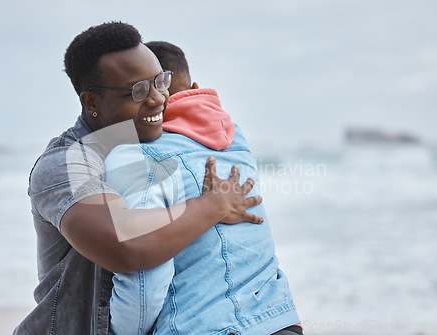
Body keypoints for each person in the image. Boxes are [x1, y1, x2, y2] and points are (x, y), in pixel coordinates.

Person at [13, 22, 264, 335]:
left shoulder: (150, 148)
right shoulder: (67, 164)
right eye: (138, 91)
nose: (159, 98)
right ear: (92, 102)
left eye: (160, 82)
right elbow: (127, 246)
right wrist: (213, 206)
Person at [106, 42, 302, 334]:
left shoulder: (136, 155)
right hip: (280, 319)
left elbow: (145, 283)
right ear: (194, 86)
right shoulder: (235, 136)